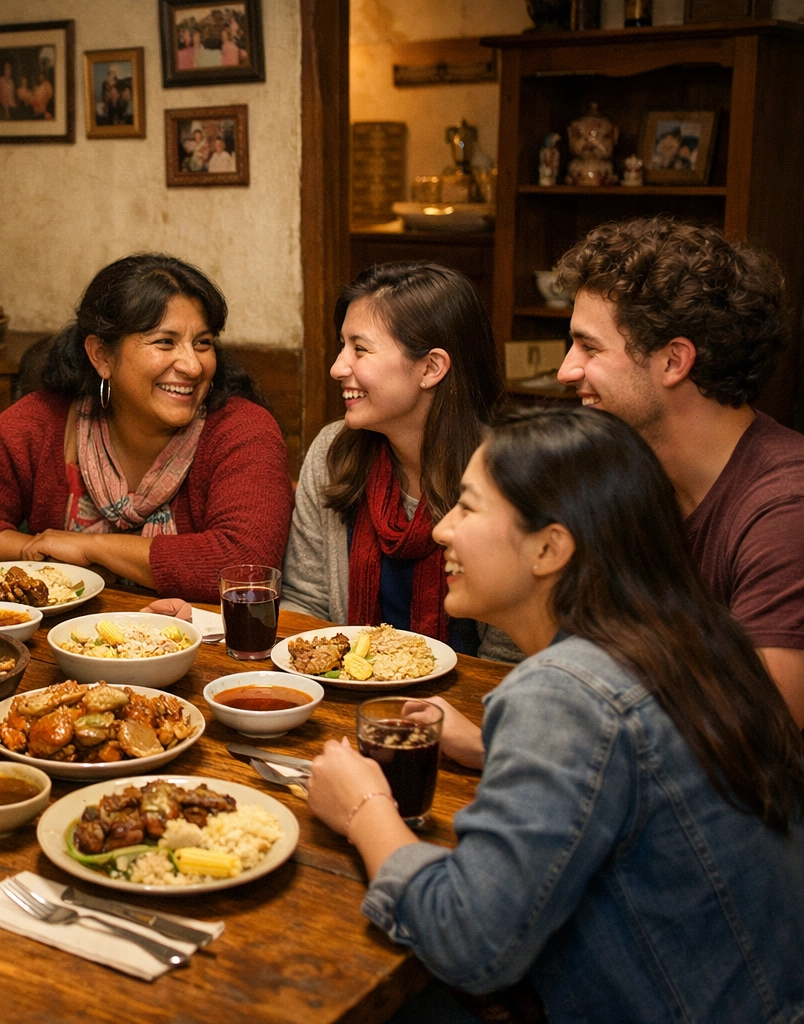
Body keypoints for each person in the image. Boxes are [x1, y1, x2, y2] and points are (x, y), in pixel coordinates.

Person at [306, 405, 804, 1021]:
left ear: (549, 548)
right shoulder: (686, 637)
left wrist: (363, 807)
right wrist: (492, 746)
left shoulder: (563, 692)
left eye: (468, 508)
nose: (441, 531)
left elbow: (468, 939)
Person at [0, 253, 291, 604]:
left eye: (203, 343)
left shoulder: (243, 431)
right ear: (101, 355)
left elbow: (245, 566)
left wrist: (89, 548)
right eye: (165, 342)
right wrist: (34, 551)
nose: (192, 366)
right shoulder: (42, 423)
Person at [554, 216, 804, 725]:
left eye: (590, 347)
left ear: (674, 361)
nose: (565, 370)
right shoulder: (630, 478)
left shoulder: (786, 507)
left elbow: (760, 725)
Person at [282, 262, 514, 660]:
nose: (337, 368)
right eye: (342, 346)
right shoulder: (332, 453)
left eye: (360, 349)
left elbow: (509, 656)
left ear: (431, 367)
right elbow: (305, 604)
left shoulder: (506, 474)